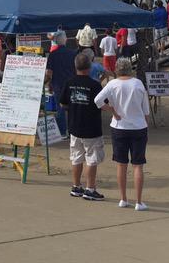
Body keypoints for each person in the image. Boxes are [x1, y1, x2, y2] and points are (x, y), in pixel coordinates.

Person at [94, 57, 150, 211]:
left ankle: (123, 199)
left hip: (119, 127)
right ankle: (139, 201)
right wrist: (146, 126)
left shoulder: (112, 84)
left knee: (121, 164)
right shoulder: (138, 84)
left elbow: (98, 100)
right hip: (138, 127)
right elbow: (146, 110)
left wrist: (112, 110)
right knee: (138, 166)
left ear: (117, 69)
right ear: (130, 69)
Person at [61, 52, 105, 201]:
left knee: (76, 157)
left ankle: (76, 186)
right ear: (89, 67)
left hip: (74, 126)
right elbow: (102, 104)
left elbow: (62, 103)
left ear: (75, 67)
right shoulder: (95, 85)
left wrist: (73, 107)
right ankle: (90, 188)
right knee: (91, 158)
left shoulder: (69, 82)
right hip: (91, 128)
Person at [45, 30, 78, 137]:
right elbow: (77, 70)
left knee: (60, 109)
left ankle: (63, 132)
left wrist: (48, 84)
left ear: (55, 41)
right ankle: (73, 131)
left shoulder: (53, 54)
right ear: (66, 40)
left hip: (58, 84)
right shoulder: (73, 53)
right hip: (71, 84)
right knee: (72, 108)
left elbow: (49, 73)